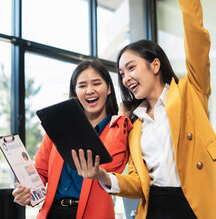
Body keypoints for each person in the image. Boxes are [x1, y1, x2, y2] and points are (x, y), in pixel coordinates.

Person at [71, 0, 216, 218]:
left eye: (131, 68)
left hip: (194, 205)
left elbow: (197, 40)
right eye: (122, 73)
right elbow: (138, 183)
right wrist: (102, 176)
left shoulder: (191, 92)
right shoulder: (136, 125)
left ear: (155, 65)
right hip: (155, 208)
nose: (126, 78)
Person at [12, 60, 132, 219]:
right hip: (52, 213)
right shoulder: (58, 127)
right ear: (75, 92)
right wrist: (25, 192)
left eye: (96, 83)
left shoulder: (118, 128)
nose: (89, 90)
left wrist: (121, 117)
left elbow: (111, 166)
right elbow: (40, 171)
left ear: (109, 88)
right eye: (82, 86)